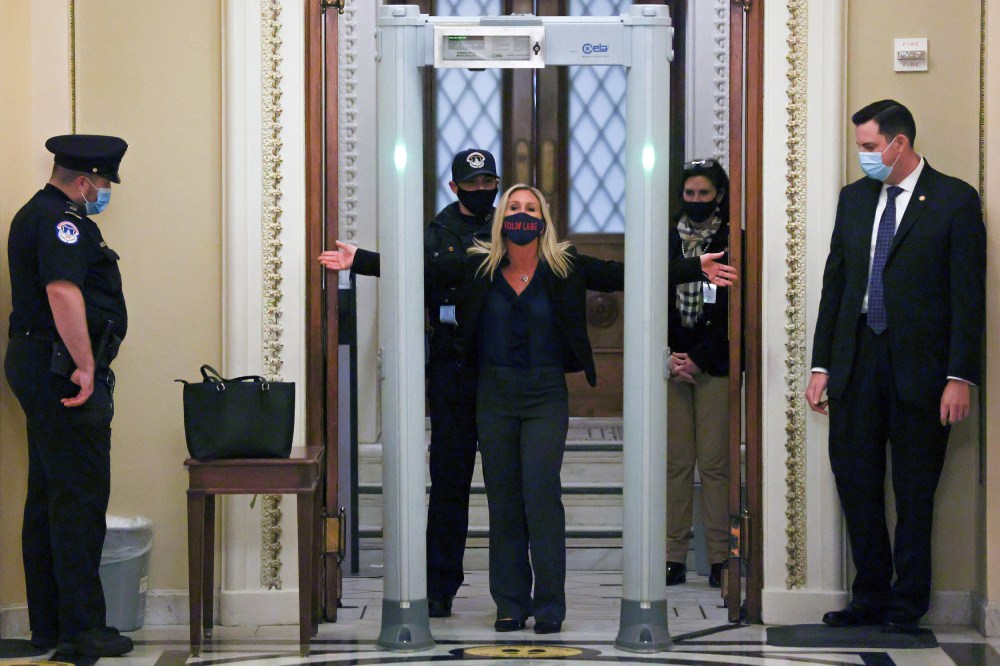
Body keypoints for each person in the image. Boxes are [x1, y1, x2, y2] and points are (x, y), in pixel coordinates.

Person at [321, 184, 737, 634]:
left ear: (544, 218)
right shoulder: (479, 265)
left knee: (541, 494)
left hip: (544, 396)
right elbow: (421, 270)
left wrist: (695, 266)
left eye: (531, 208)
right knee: (503, 502)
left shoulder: (566, 265)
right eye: (515, 208)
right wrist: (359, 260)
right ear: (503, 218)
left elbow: (630, 273)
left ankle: (550, 605)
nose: (522, 214)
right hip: (493, 396)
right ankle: (510, 603)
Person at [805, 100, 985, 635]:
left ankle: (908, 604)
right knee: (856, 481)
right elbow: (834, 286)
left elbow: (967, 297)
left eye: (868, 147)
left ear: (897, 144)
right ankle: (870, 596)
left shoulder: (953, 199)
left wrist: (960, 376)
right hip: (857, 357)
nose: (863, 156)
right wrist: (821, 366)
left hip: (922, 369)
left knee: (913, 489)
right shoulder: (854, 200)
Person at [5, 135, 133, 657]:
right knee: (78, 498)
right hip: (61, 369)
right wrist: (84, 365)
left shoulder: (38, 214)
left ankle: (52, 625)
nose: (102, 194)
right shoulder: (63, 220)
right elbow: (62, 290)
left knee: (52, 498)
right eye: (102, 185)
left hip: (43, 364)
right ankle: (83, 631)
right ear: (83, 182)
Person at [664, 158, 733, 589]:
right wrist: (672, 355)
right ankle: (672, 555)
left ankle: (719, 558)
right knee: (675, 464)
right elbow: (654, 295)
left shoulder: (732, 238)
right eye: (689, 194)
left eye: (703, 194)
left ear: (718, 196)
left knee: (714, 464)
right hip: (671, 363)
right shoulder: (665, 237)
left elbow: (734, 310)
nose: (695, 201)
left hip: (714, 365)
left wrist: (699, 358)